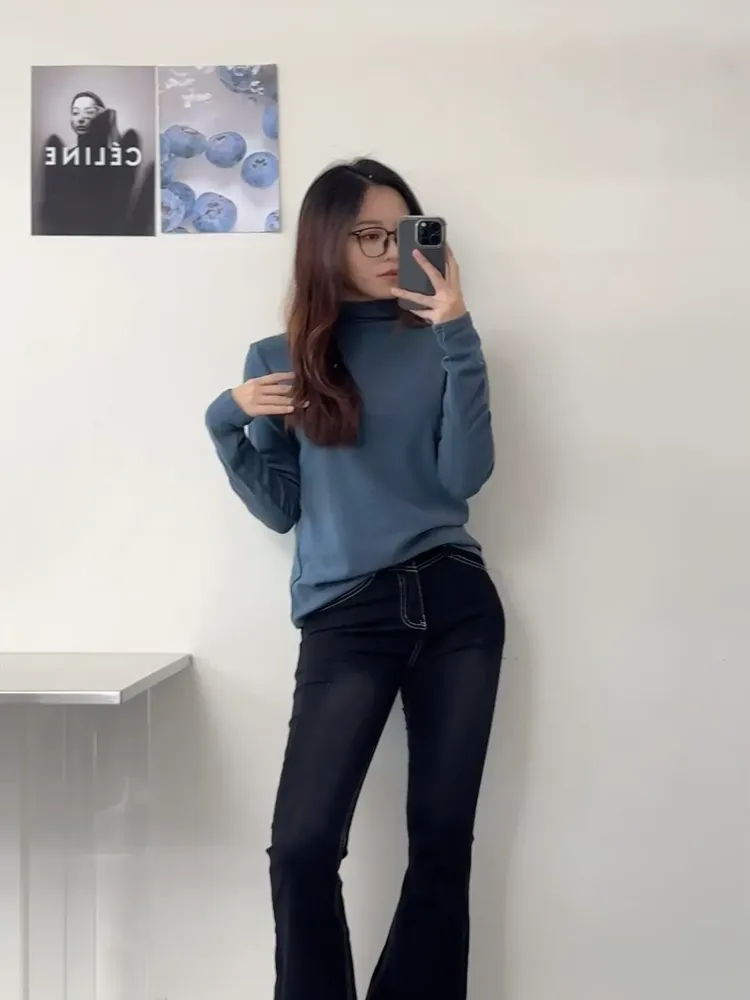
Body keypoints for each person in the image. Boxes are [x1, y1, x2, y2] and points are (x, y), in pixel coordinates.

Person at [205, 157, 505, 1000]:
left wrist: (459, 331)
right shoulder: (281, 357)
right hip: (347, 615)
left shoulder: (440, 342)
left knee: (442, 846)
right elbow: (281, 510)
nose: (383, 251)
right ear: (325, 242)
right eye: (365, 234)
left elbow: (464, 477)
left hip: (455, 602)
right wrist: (225, 419)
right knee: (303, 847)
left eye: (398, 232)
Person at [36, 90, 154, 236]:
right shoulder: (62, 163)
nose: (81, 119)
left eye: (90, 112)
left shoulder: (117, 163)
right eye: (75, 112)